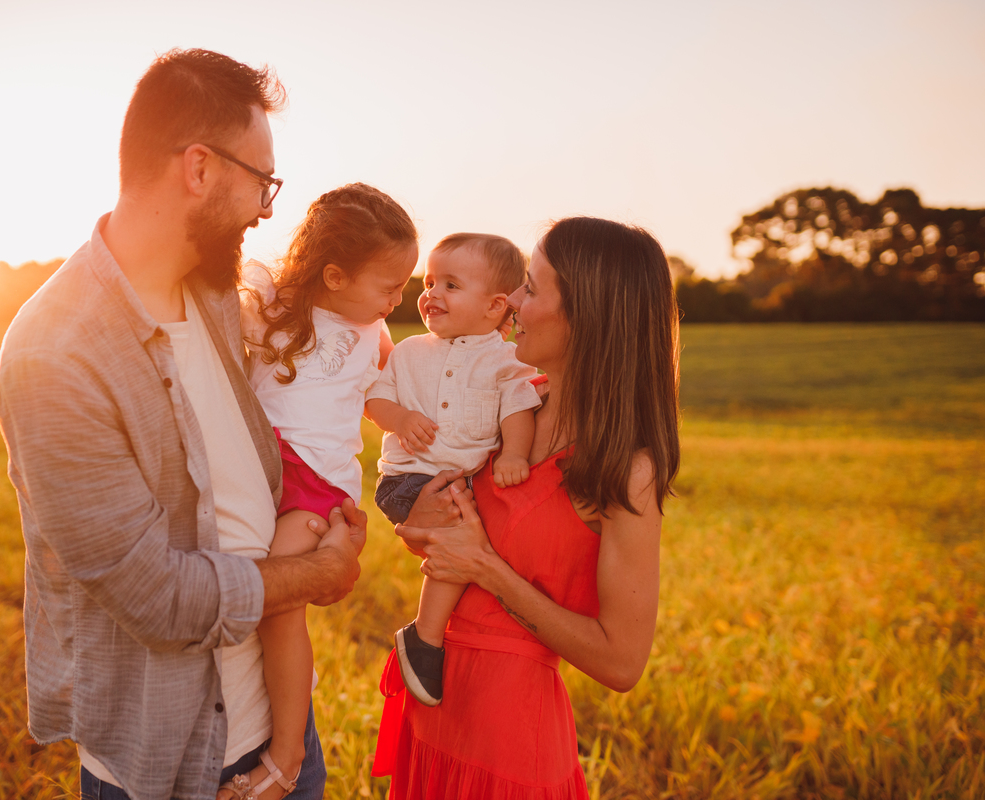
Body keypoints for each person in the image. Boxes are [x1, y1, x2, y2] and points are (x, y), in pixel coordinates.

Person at [0, 49, 366, 800]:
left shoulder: (221, 296)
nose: (268, 207)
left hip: (282, 740)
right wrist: (317, 577)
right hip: (170, 763)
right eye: (262, 180)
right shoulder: (55, 355)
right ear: (198, 169)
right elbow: (157, 598)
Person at [372, 216, 681, 799]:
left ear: (586, 316)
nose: (511, 300)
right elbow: (436, 525)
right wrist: (417, 525)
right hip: (432, 710)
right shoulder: (508, 411)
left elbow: (622, 664)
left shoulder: (625, 470)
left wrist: (485, 567)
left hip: (507, 741)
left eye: (533, 289)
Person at [228, 183, 418, 799]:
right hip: (258, 469)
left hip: (316, 487)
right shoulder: (270, 303)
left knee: (278, 606)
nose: (399, 298)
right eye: (388, 286)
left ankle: (284, 754)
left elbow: (379, 400)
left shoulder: (374, 337)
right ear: (334, 276)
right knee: (257, 589)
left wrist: (403, 422)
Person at [363, 233, 541, 707]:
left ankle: (440, 633)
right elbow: (375, 399)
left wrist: (513, 455)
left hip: (463, 482)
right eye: (429, 281)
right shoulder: (409, 352)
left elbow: (518, 408)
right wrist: (399, 419)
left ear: (495, 305)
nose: (431, 293)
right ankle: (426, 636)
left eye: (451, 285)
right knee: (461, 535)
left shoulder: (505, 361)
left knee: (477, 535)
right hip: (406, 479)